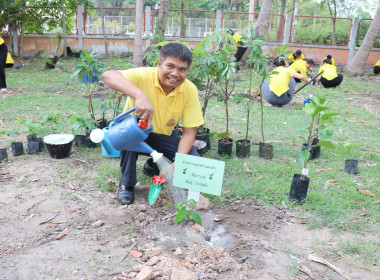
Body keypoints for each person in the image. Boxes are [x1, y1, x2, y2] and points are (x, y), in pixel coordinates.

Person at [101, 43, 204, 205]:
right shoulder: (143, 76)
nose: (175, 73)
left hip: (163, 136)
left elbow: (190, 132)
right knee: (129, 134)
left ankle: (152, 166)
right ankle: (126, 185)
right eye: (170, 66)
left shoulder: (189, 90)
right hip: (135, 132)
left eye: (182, 69)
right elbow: (108, 76)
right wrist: (139, 95)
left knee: (192, 157)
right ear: (159, 64)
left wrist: (178, 162)